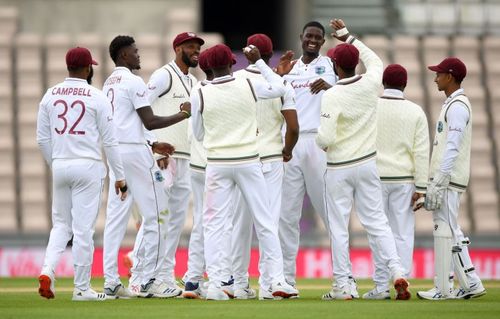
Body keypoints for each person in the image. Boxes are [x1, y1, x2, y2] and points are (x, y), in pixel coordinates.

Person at [191, 44, 298, 300]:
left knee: (215, 225)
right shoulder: (249, 85)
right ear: (231, 62)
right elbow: (281, 87)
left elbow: (198, 133)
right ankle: (275, 281)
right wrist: (261, 63)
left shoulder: (200, 92)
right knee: (265, 221)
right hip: (250, 160)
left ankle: (218, 285)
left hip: (217, 163)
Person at [316, 19, 410, 300]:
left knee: (338, 226)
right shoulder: (371, 82)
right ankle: (397, 270)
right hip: (368, 164)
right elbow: (375, 59)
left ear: (335, 66)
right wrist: (348, 37)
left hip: (339, 169)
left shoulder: (332, 94)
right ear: (356, 63)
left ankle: (343, 285)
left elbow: (327, 138)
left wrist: (318, 139)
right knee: (377, 222)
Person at [102, 35, 191, 299]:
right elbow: (149, 121)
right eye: (134, 51)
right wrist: (182, 114)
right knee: (159, 215)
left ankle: (110, 281)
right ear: (122, 56)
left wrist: (153, 144)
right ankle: (146, 279)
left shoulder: (110, 82)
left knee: (115, 219)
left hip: (115, 152)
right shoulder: (133, 81)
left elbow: (127, 122)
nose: (138, 55)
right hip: (134, 154)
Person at [37, 47, 128, 301]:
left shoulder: (50, 95)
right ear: (88, 68)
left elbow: (42, 139)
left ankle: (47, 270)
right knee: (83, 230)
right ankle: (81, 288)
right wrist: (119, 176)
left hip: (60, 164)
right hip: (88, 166)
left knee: (61, 226)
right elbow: (110, 142)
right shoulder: (97, 96)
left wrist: (54, 163)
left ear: (68, 67)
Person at [232, 34, 299, 300]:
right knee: (268, 224)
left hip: (242, 157)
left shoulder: (234, 80)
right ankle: (270, 284)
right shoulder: (281, 83)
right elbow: (293, 128)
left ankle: (237, 284)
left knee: (240, 225)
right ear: (270, 55)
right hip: (272, 158)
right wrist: (287, 151)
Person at [417, 57, 486, 300]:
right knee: (450, 229)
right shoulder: (452, 103)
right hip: (447, 177)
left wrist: (440, 178)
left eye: (439, 74)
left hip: (449, 178)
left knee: (446, 229)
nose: (435, 78)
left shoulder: (458, 106)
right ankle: (469, 283)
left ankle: (445, 288)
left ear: (451, 76)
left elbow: (453, 147)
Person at [277, 21, 336, 293]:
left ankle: (342, 278)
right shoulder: (290, 68)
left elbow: (350, 90)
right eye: (309, 36)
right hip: (289, 143)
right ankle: (287, 279)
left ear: (323, 41)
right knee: (287, 215)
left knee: (329, 211)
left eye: (318, 37)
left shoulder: (331, 67)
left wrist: (332, 87)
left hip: (316, 141)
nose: (313, 40)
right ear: (301, 38)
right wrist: (280, 75)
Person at [363, 64, 430, 300]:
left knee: (378, 232)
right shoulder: (416, 111)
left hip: (374, 178)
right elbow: (421, 152)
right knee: (402, 232)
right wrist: (421, 188)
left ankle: (381, 286)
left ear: (383, 82)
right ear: (405, 84)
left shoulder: (371, 106)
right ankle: (402, 276)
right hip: (404, 180)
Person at [146, 32, 204, 294]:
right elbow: (140, 109)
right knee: (158, 218)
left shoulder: (194, 81)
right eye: (190, 47)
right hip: (164, 157)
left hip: (186, 157)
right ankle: (143, 275)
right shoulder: (163, 75)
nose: (196, 51)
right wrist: (153, 146)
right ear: (177, 48)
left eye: (198, 47)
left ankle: (165, 276)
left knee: (176, 222)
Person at [181, 48, 212, 299]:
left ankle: (193, 278)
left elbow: (194, 132)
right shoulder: (224, 90)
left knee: (203, 220)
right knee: (218, 222)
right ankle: (213, 277)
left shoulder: (196, 90)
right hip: (214, 164)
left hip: (197, 164)